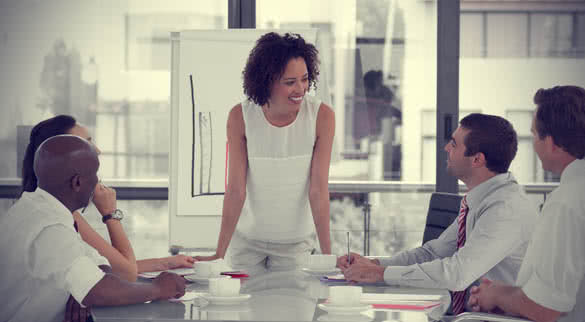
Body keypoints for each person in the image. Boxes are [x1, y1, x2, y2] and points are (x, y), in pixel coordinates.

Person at [338, 113, 537, 314]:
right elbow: (432, 253)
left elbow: (457, 274)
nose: (446, 148)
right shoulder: (480, 198)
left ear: (477, 159)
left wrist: (381, 274)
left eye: (454, 144)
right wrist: (373, 264)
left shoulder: (505, 209)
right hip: (469, 314)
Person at [0, 135, 186, 322]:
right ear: (77, 182)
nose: (98, 183)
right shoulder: (50, 228)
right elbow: (98, 291)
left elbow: (102, 269)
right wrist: (158, 289)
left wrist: (84, 287)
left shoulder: (33, 208)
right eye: (96, 174)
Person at [196, 32, 335, 274]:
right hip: (246, 245)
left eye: (304, 79)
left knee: (293, 311)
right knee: (243, 311)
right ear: (266, 81)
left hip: (296, 247)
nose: (301, 89)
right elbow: (236, 190)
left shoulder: (322, 117)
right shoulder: (240, 117)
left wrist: (327, 255)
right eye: (290, 82)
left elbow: (318, 189)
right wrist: (218, 255)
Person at [21, 115, 195, 282]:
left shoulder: (41, 204)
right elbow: (126, 272)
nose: (97, 150)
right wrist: (110, 213)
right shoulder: (59, 216)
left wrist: (166, 263)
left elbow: (107, 264)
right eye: (86, 142)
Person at [468, 86, 585, 322]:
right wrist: (503, 293)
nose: (533, 144)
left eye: (533, 135)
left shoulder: (566, 203)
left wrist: (497, 296)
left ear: (551, 143)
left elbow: (546, 309)